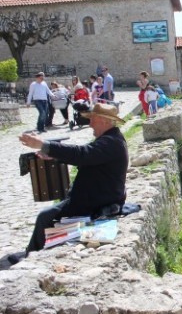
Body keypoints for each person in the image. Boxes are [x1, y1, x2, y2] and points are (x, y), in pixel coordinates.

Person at [9, 103, 128, 264]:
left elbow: (82, 154)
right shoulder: (111, 139)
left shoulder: (111, 142)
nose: (90, 123)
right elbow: (86, 155)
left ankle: (31, 257)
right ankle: (33, 251)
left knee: (45, 217)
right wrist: (55, 156)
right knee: (49, 215)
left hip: (98, 200)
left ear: (103, 120)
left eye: (92, 119)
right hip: (97, 195)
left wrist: (45, 146)